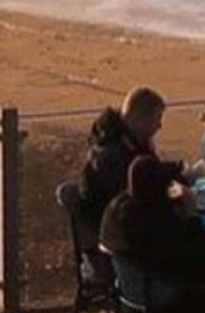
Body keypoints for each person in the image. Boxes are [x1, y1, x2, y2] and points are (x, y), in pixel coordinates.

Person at [100, 155, 205, 313]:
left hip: (135, 296)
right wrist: (191, 215)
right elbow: (203, 263)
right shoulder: (154, 225)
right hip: (167, 306)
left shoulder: (117, 211)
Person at [75, 86, 186, 231]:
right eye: (156, 118)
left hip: (126, 224)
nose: (159, 126)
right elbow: (140, 191)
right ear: (141, 118)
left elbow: (147, 176)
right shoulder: (110, 153)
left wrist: (175, 172)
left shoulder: (129, 143)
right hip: (118, 233)